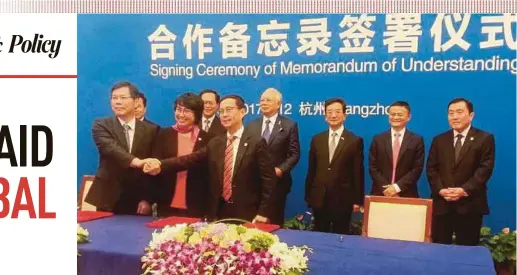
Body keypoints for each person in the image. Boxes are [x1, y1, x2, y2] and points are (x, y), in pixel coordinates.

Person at [145, 95, 276, 223]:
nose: (224, 115)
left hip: (246, 211)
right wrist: (160, 163)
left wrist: (264, 212)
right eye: (222, 111)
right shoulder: (216, 142)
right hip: (218, 212)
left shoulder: (256, 142)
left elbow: (268, 180)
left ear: (242, 112)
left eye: (229, 110)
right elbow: (190, 159)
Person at [427, 98, 495, 246]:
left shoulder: (484, 138)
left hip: (469, 204)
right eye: (451, 113)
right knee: (439, 249)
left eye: (459, 112)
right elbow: (431, 169)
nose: (455, 117)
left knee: (467, 252)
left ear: (471, 115)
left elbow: (485, 169)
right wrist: (441, 190)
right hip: (442, 205)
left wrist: (463, 190)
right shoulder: (439, 139)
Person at [85, 81, 158, 215]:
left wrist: (148, 199)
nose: (117, 102)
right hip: (107, 196)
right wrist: (137, 162)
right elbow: (112, 149)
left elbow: (153, 170)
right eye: (114, 98)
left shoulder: (151, 130)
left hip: (137, 199)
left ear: (136, 102)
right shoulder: (101, 125)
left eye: (123, 98)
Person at [305, 98, 364, 234]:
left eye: (337, 112)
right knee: (319, 234)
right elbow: (312, 169)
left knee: (340, 235)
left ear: (345, 115)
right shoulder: (317, 139)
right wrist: (309, 195)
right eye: (329, 112)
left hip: (343, 199)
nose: (333, 115)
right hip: (319, 197)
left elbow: (357, 172)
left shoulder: (354, 140)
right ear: (325, 116)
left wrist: (357, 200)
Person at [150, 92, 213, 218]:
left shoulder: (208, 138)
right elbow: (154, 167)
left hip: (196, 204)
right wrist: (148, 199)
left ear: (197, 114)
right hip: (166, 202)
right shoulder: (163, 134)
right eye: (179, 110)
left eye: (187, 111)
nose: (181, 115)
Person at [246, 87, 300, 225]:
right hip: (253, 183)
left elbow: (294, 154)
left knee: (274, 222)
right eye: (262, 100)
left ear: (278, 104)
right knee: (252, 222)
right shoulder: (251, 125)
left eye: (268, 100)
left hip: (277, 184)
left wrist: (280, 170)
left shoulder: (289, 125)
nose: (263, 103)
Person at [369, 101, 424, 198]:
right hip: (380, 193)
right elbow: (373, 167)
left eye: (400, 114)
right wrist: (387, 189)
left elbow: (417, 168)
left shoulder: (416, 140)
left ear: (408, 117)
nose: (395, 117)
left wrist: (397, 187)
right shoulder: (378, 139)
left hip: (406, 193)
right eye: (392, 114)